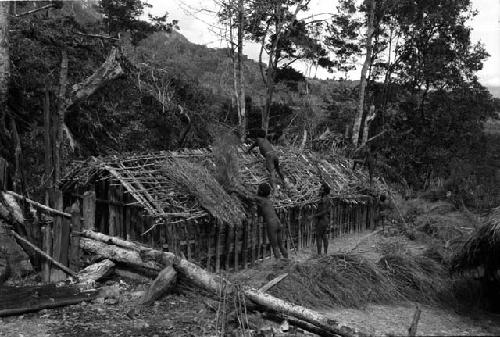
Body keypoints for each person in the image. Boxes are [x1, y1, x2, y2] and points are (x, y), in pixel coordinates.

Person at [230, 183, 288, 259]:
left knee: (275, 246)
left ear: (260, 192)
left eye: (258, 189)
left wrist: (235, 191)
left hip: (271, 224)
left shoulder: (259, 199)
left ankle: (279, 265)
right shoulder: (268, 200)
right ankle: (287, 261)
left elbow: (247, 197)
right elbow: (261, 212)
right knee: (281, 245)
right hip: (278, 222)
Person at [314, 182, 331, 255]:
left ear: (324, 191)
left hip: (322, 221)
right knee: (324, 236)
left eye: (321, 189)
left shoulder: (323, 200)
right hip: (326, 220)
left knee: (319, 237)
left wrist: (313, 216)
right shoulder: (327, 199)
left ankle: (319, 254)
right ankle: (325, 253)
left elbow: (323, 212)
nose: (319, 190)